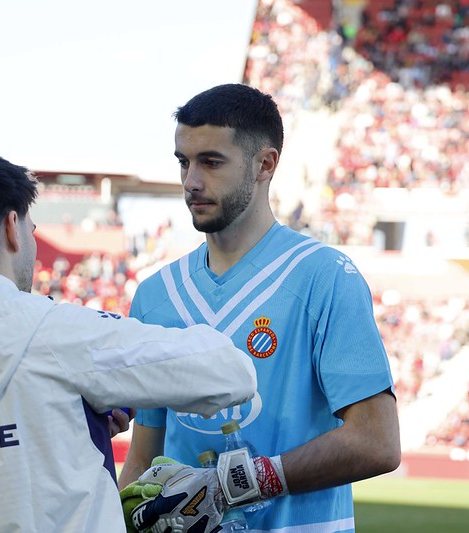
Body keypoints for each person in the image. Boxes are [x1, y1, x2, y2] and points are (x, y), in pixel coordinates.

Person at [0, 153, 258, 532]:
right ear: (12, 227)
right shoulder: (57, 331)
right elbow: (230, 374)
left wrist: (65, 423)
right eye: (31, 227)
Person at [118, 84, 400, 532]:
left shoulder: (325, 276)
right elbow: (144, 454)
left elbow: (376, 442)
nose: (191, 181)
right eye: (184, 162)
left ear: (264, 164)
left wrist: (240, 482)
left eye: (211, 162)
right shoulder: (155, 295)